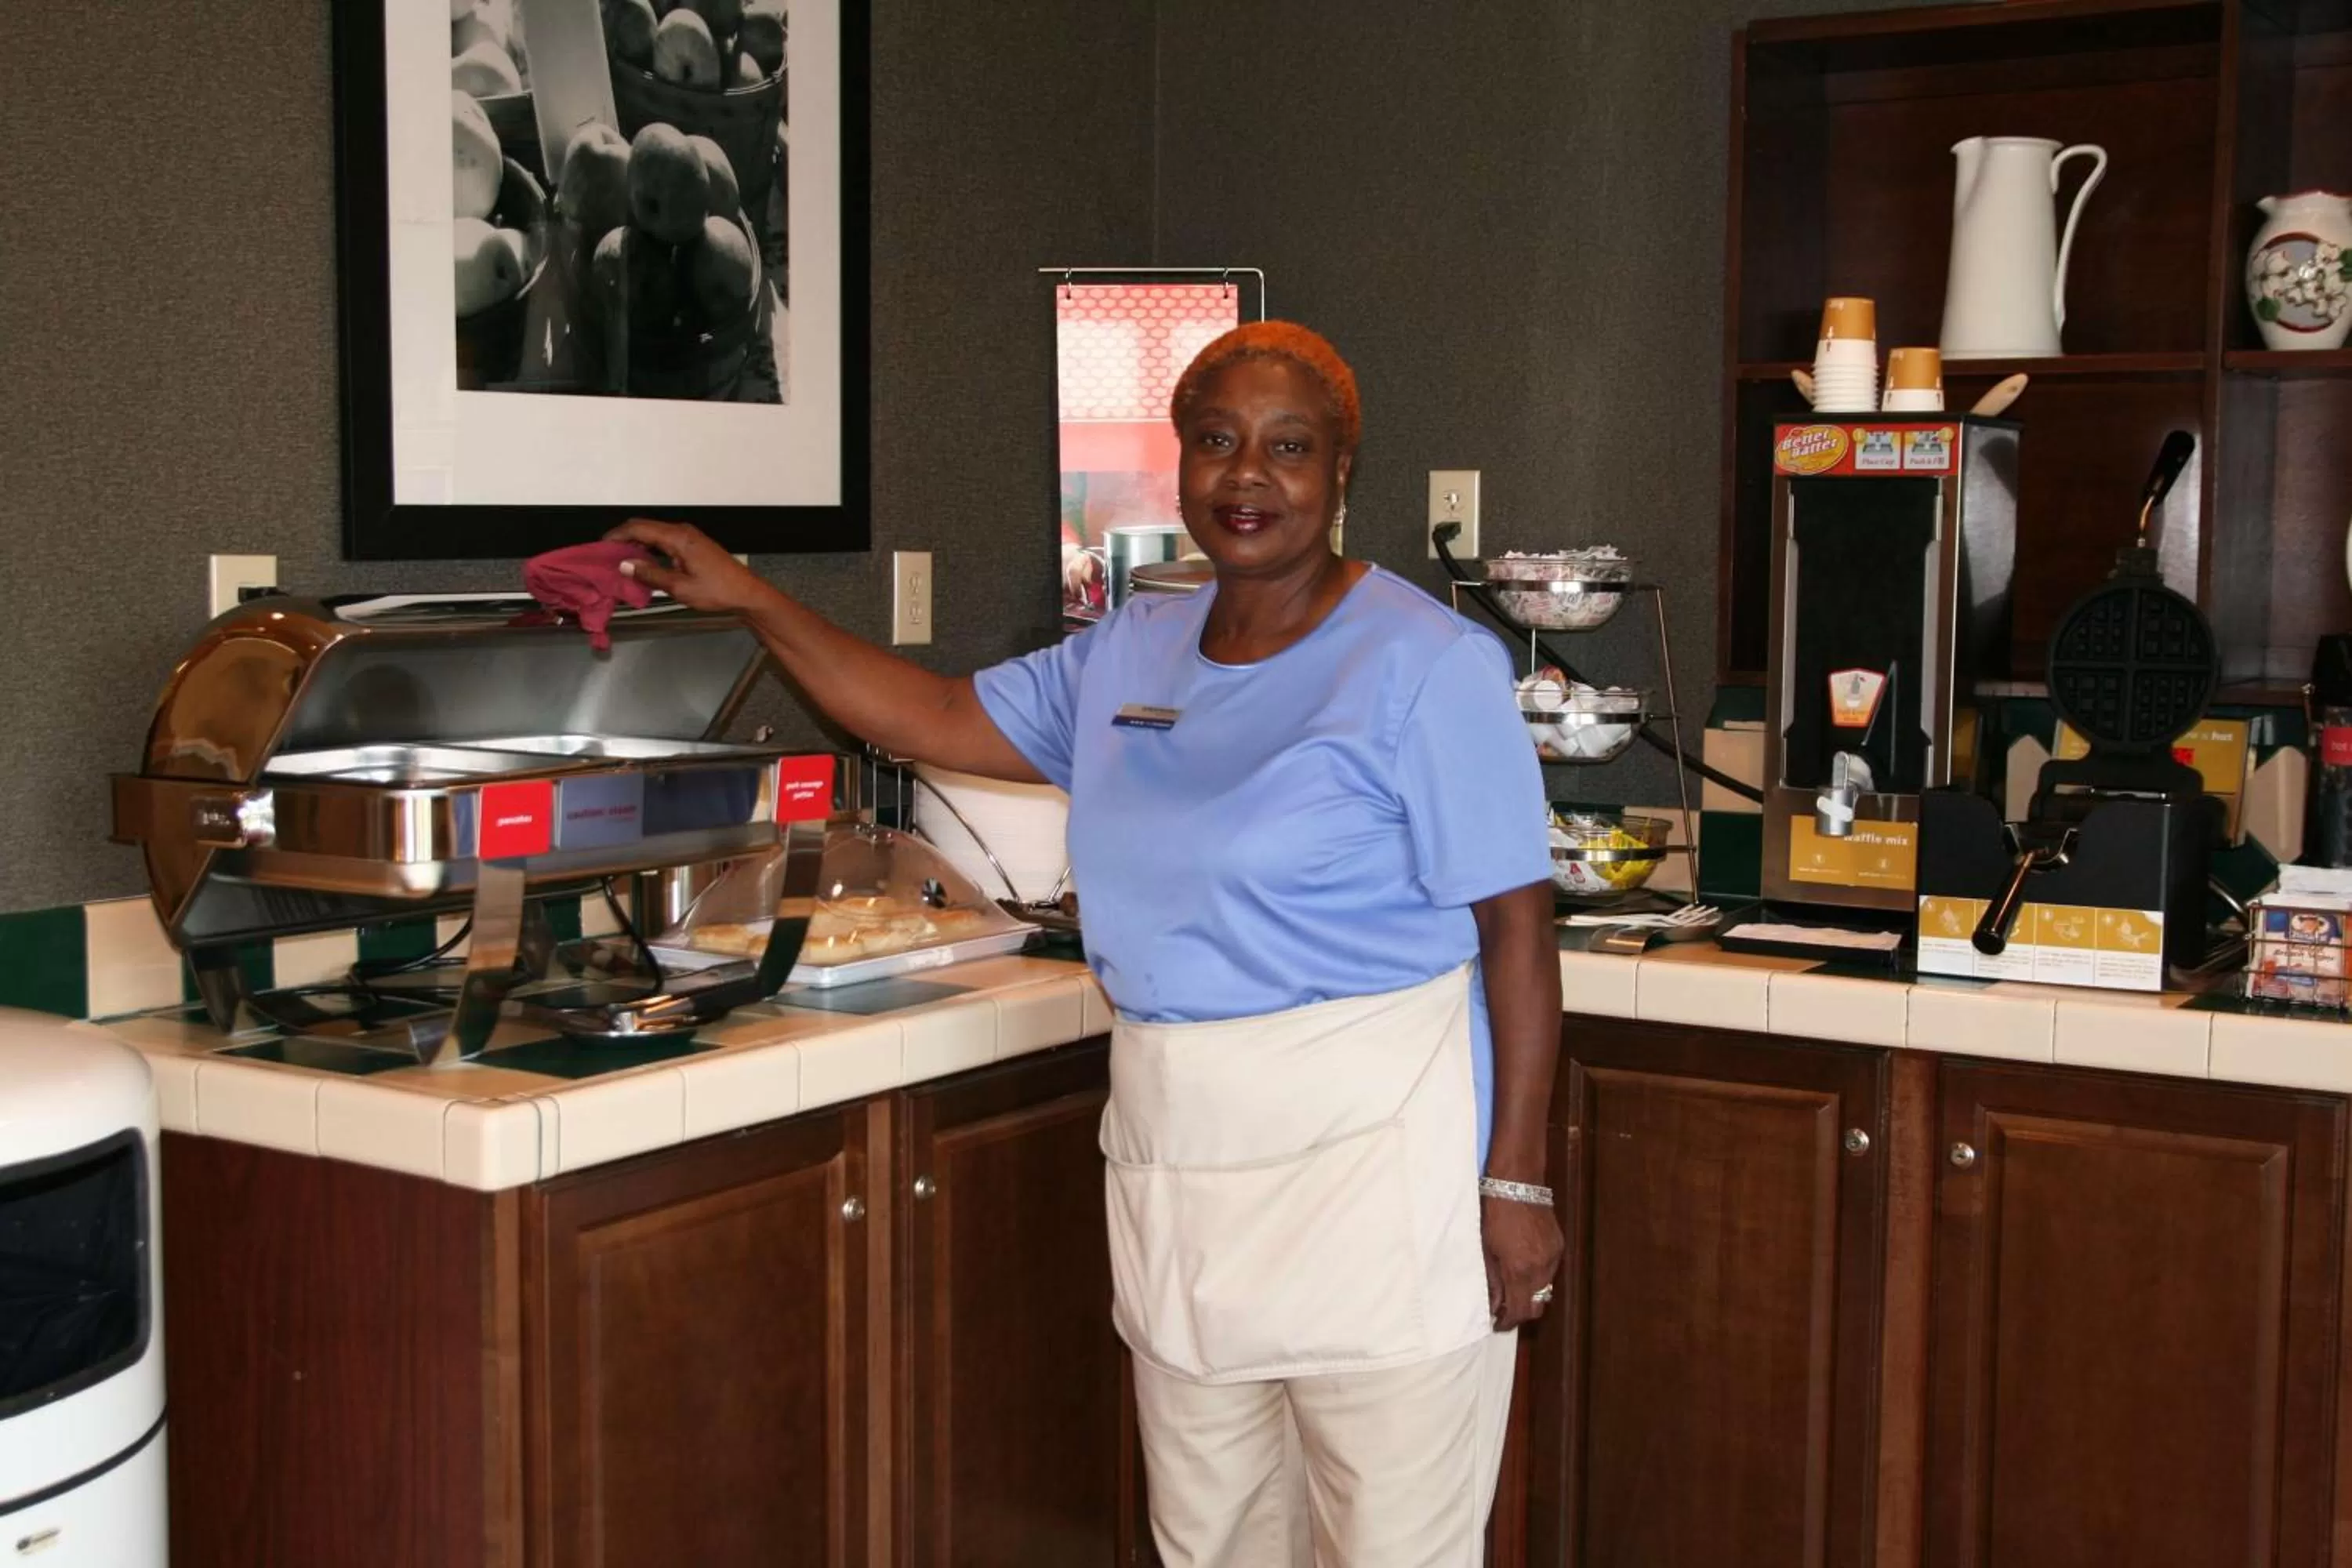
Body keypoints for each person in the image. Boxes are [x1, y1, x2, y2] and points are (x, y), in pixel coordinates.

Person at [611, 320, 1564, 1566]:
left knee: (1392, 1546)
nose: (1246, 477)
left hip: (1380, 1173)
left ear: (1343, 472)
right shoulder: (1134, 646)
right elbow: (936, 715)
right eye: (1216, 443)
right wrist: (749, 598)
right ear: (1181, 467)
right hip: (1179, 1157)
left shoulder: (1428, 665)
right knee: (1207, 1539)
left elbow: (1519, 934)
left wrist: (1518, 1183)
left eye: (1288, 448)